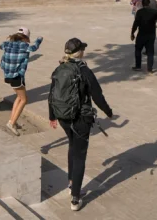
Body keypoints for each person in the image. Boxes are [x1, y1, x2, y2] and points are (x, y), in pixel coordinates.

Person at [49, 38, 113, 212]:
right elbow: (97, 95)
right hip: (81, 119)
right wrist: (109, 112)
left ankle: (71, 182)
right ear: (80, 52)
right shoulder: (84, 70)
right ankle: (75, 199)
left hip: (63, 117)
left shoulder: (59, 67)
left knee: (72, 146)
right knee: (80, 156)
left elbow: (52, 93)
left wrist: (52, 116)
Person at [0, 27, 43, 136]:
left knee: (19, 97)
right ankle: (11, 123)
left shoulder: (7, 44)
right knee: (24, 99)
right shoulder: (24, 46)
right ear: (25, 37)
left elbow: (1, 46)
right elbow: (33, 48)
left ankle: (13, 120)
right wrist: (39, 40)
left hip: (8, 75)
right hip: (16, 76)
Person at [130, 0, 157, 73]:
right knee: (150, 52)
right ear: (148, 4)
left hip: (141, 34)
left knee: (138, 50)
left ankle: (138, 66)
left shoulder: (139, 12)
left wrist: (132, 33)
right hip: (151, 34)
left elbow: (135, 23)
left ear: (142, 4)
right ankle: (150, 68)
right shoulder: (154, 12)